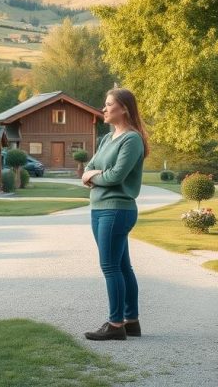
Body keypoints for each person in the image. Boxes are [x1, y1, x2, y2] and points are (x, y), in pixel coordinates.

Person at [80, 87, 149, 341]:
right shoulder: (106, 139)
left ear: (124, 109)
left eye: (109, 104)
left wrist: (92, 177)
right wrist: (94, 175)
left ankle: (116, 324)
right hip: (100, 209)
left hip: (117, 210)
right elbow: (89, 167)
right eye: (105, 104)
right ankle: (131, 322)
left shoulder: (131, 140)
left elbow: (115, 176)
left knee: (110, 267)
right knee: (122, 266)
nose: (104, 109)